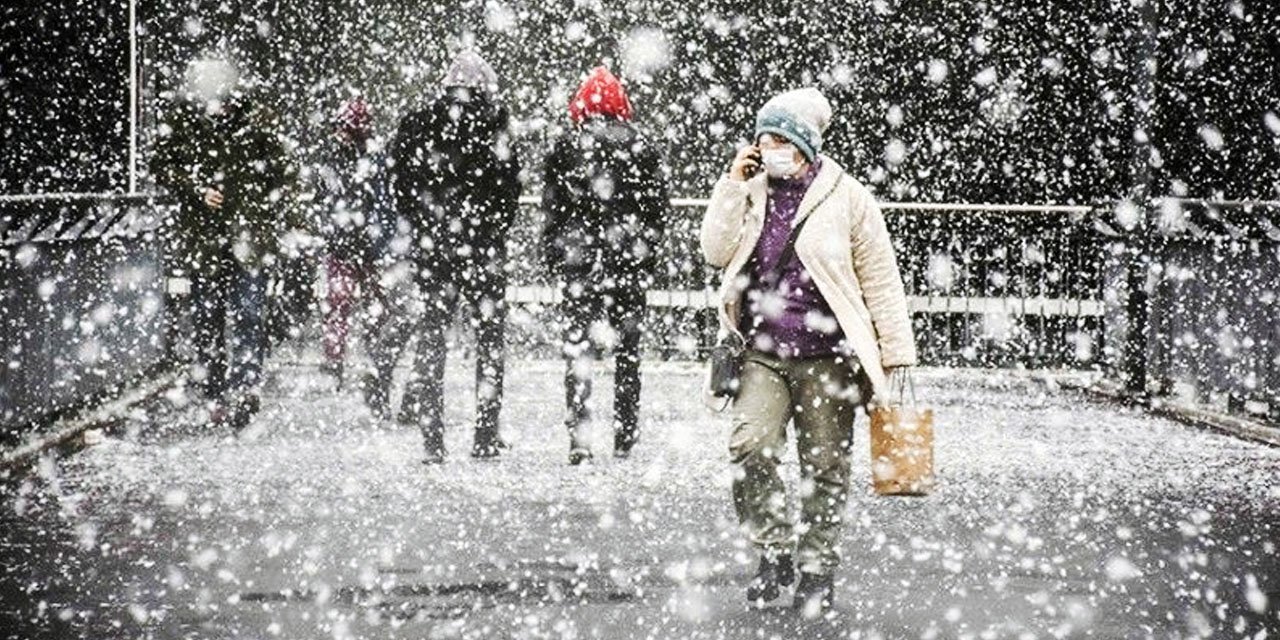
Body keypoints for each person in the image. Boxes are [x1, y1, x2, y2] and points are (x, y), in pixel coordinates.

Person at [699, 88, 917, 612]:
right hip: (762, 351)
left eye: (779, 139)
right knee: (750, 446)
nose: (769, 148)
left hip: (828, 356)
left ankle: (817, 569)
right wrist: (732, 185)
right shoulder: (751, 190)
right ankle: (773, 549)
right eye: (763, 139)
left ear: (804, 143)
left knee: (824, 466)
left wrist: (896, 354)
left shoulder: (847, 197)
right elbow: (714, 250)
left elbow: (880, 279)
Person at [389, 50, 520, 463]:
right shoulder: (496, 125)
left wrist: (426, 225)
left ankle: (433, 438)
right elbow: (509, 189)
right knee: (490, 342)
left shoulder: (417, 123)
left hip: (433, 249)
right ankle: (484, 433)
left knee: (432, 338)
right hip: (482, 249)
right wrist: (490, 227)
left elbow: (400, 186)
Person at [151, 56, 294, 431]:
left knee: (246, 315)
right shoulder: (184, 123)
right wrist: (196, 189)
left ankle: (243, 387)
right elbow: (160, 164)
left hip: (246, 237)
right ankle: (216, 391)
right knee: (208, 320)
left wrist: (264, 209)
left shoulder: (255, 124)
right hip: (207, 239)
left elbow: (284, 173)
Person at [542, 66, 669, 464]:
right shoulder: (642, 145)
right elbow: (656, 210)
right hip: (627, 261)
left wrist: (555, 252)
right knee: (628, 353)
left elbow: (553, 209)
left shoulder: (566, 145)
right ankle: (625, 433)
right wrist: (646, 250)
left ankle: (580, 436)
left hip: (580, 263)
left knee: (578, 349)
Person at [313, 97, 393, 387]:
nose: (340, 133)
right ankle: (347, 360)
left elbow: (381, 202)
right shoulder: (350, 158)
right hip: (350, 244)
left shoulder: (367, 159)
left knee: (350, 306)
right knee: (343, 305)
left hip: (358, 244)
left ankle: (359, 358)